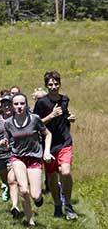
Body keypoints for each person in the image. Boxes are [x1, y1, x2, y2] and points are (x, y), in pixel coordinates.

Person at [33, 70, 78, 219]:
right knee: (52, 177)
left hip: (65, 141)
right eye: (50, 84)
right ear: (46, 85)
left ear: (60, 84)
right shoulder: (41, 102)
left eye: (56, 84)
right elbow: (36, 123)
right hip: (48, 144)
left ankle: (68, 204)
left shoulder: (65, 100)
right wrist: (51, 116)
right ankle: (57, 204)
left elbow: (65, 114)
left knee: (65, 172)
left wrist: (70, 117)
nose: (53, 87)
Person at [4, 93, 53, 227]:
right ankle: (30, 220)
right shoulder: (8, 123)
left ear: (26, 105)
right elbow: (8, 139)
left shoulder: (34, 119)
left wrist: (47, 151)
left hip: (34, 158)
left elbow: (47, 134)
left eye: (22, 103)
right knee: (23, 190)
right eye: (16, 104)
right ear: (12, 106)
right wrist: (4, 143)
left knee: (35, 195)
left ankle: (39, 198)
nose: (19, 106)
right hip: (18, 157)